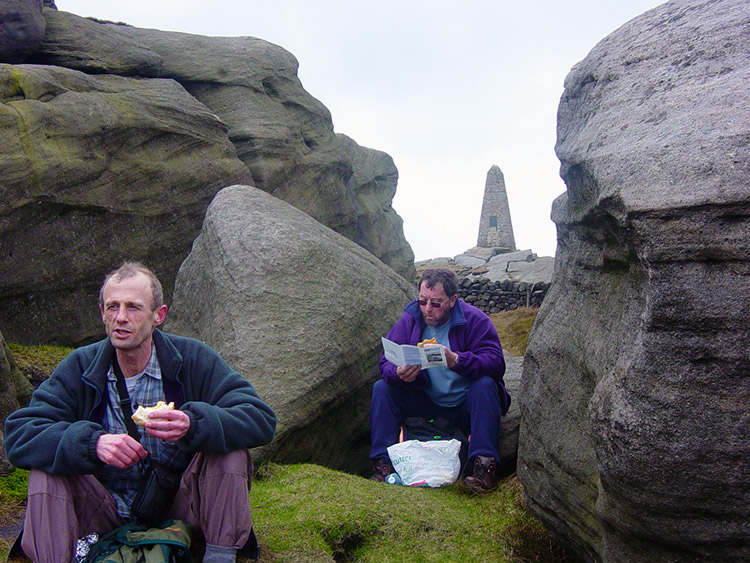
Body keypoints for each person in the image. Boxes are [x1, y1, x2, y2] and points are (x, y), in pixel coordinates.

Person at [4, 262, 277, 563]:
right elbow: (20, 435)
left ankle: (219, 557)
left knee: (230, 452)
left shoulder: (193, 358)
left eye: (133, 307)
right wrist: (91, 444)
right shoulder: (80, 366)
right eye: (112, 307)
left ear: (158, 315)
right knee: (46, 471)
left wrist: (194, 424)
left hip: (181, 508)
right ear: (102, 313)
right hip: (102, 511)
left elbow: (260, 418)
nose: (121, 318)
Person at [370, 268, 510, 492]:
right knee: (382, 388)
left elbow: (495, 363)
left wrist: (456, 360)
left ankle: (483, 469)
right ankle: (383, 466)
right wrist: (397, 373)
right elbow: (385, 362)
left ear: (453, 300)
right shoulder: (411, 319)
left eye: (436, 303)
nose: (427, 309)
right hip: (426, 401)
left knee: (486, 385)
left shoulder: (475, 320)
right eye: (422, 301)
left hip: (464, 404)